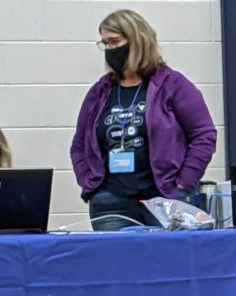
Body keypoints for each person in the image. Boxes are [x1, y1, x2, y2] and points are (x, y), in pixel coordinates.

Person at [70, 9, 216, 231]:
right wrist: (89, 182)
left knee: (165, 263)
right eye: (105, 44)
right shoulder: (100, 91)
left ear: (137, 40)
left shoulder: (173, 85)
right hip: (110, 201)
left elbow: (204, 136)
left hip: (165, 198)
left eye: (114, 42)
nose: (109, 49)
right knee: (116, 264)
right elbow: (79, 145)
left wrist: (184, 183)